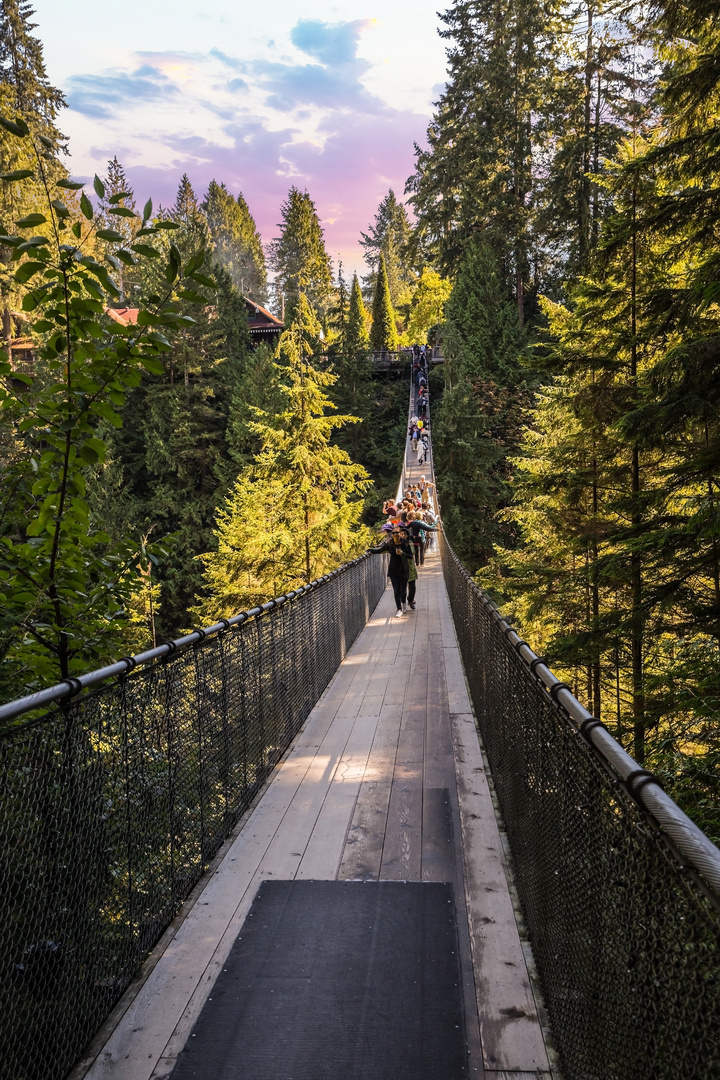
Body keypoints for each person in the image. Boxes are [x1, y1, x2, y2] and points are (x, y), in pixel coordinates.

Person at [369, 527, 414, 617]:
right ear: (392, 535)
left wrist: (402, 553)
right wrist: (371, 550)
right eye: (394, 533)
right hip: (393, 570)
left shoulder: (405, 543)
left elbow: (410, 556)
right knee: (396, 590)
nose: (395, 535)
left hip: (404, 569)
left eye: (397, 533)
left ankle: (404, 603)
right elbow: (380, 550)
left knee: (403, 591)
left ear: (400, 533)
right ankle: (399, 609)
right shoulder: (389, 544)